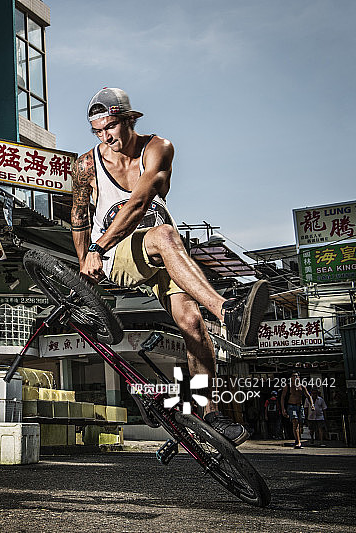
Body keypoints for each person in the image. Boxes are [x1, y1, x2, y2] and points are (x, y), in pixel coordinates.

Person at [71, 87, 270, 446]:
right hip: (117, 252)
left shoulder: (158, 148)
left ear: (130, 120)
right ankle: (229, 313)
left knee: (192, 323)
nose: (106, 137)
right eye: (98, 131)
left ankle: (208, 413)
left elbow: (142, 199)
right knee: (163, 235)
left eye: (111, 127)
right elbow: (80, 220)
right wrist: (88, 260)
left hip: (164, 255)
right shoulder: (86, 165)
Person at [281, 372, 313, 448]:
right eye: (294, 376)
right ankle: (298, 442)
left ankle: (297, 439)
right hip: (291, 406)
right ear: (291, 378)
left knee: (300, 423)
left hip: (300, 406)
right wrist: (283, 409)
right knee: (295, 423)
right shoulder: (288, 386)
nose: (295, 377)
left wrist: (312, 404)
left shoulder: (302, 387)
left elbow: (308, 396)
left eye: (297, 376)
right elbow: (282, 397)